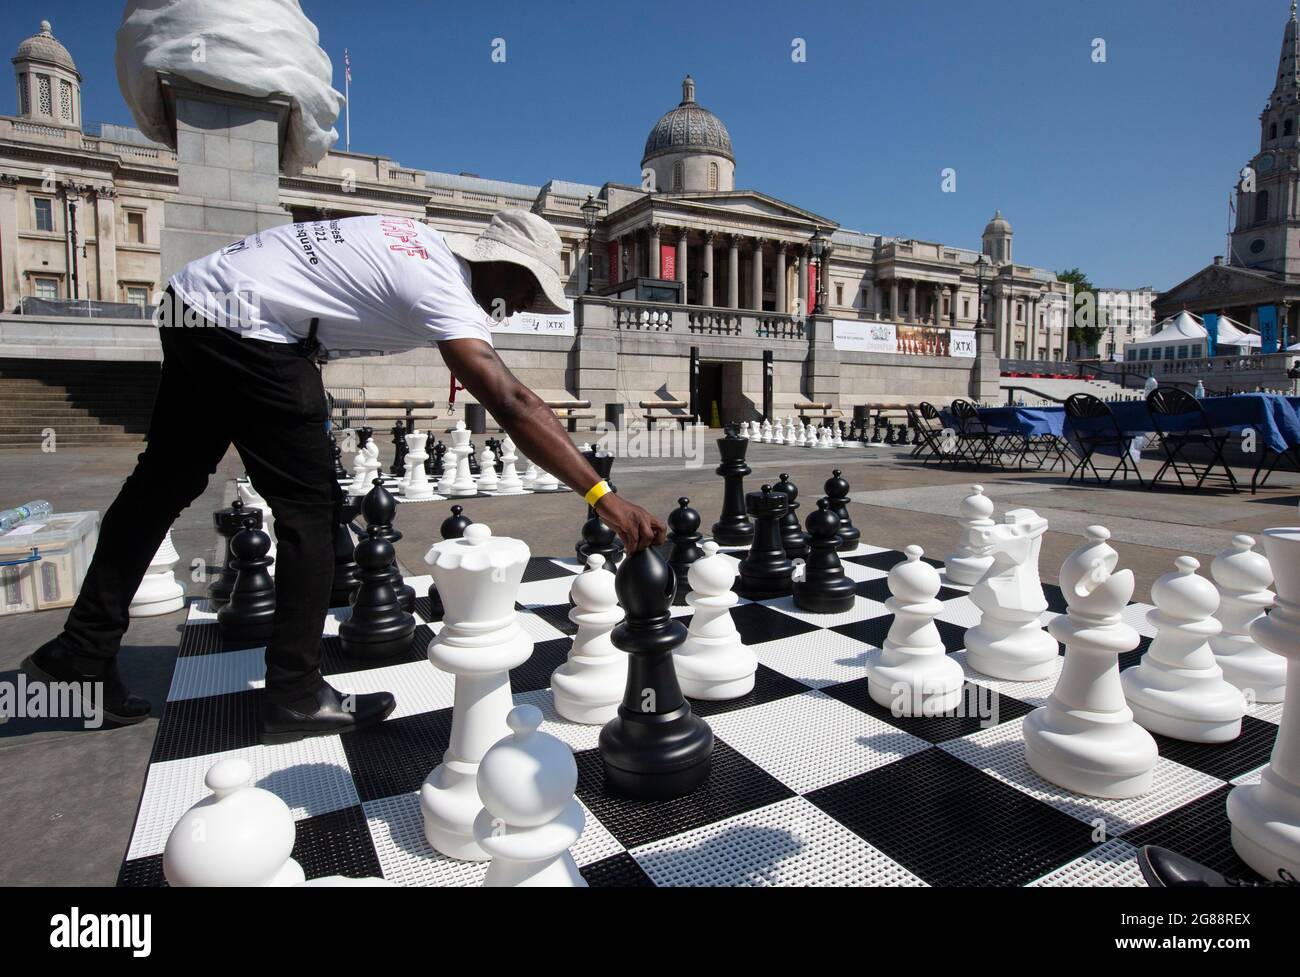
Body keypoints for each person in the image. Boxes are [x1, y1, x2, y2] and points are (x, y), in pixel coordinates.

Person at [23, 210, 666, 742]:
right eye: (529, 291)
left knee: (162, 482)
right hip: (250, 331)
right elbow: (513, 402)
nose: (525, 307)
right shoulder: (441, 285)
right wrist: (601, 494)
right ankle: (294, 694)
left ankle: (78, 653)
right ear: (505, 267)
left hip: (194, 302)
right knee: (310, 511)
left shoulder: (413, 240)